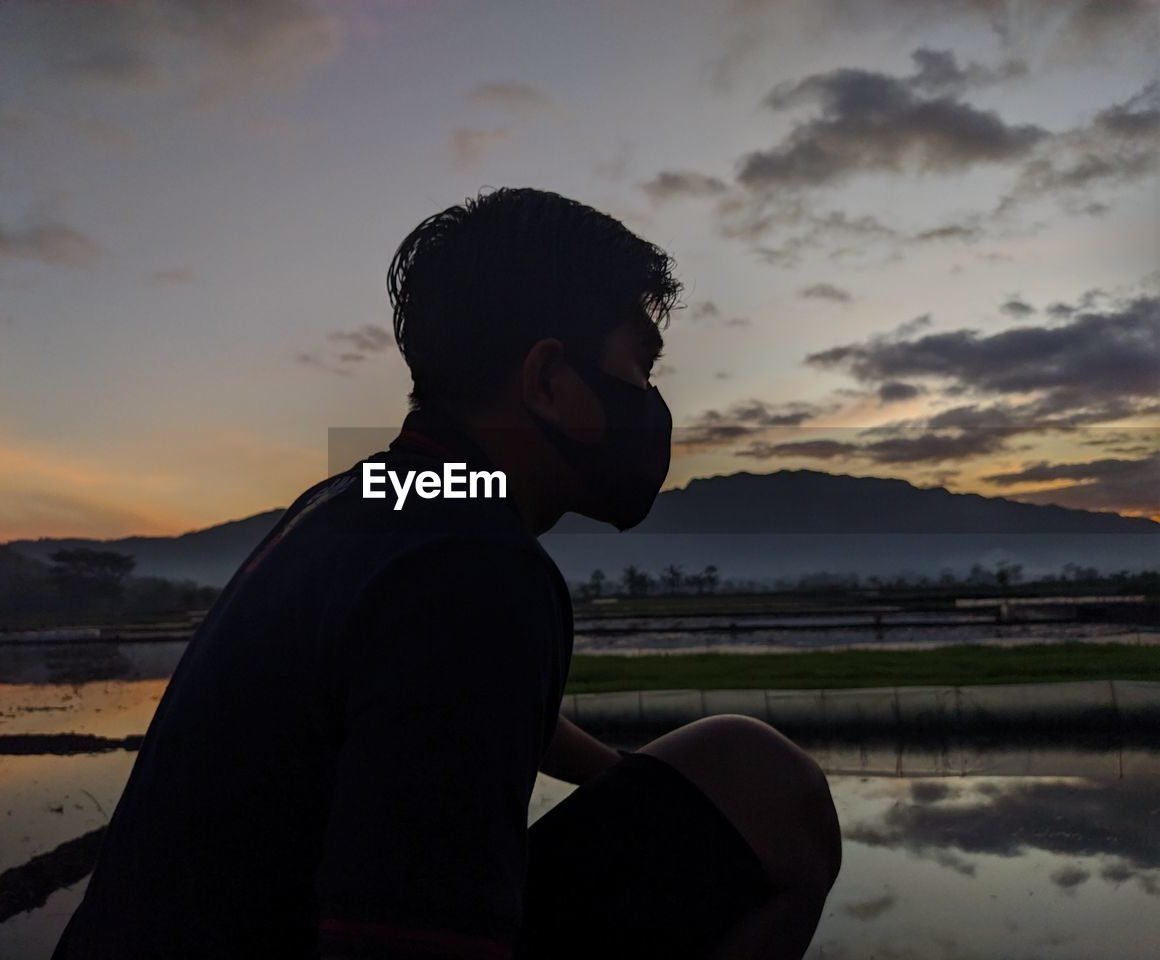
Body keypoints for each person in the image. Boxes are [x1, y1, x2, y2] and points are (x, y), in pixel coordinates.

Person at [50, 187, 840, 960]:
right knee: (768, 786)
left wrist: (617, 778)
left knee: (725, 775)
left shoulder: (365, 504)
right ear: (548, 381)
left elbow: (433, 691)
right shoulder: (471, 570)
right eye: (638, 368)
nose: (651, 401)